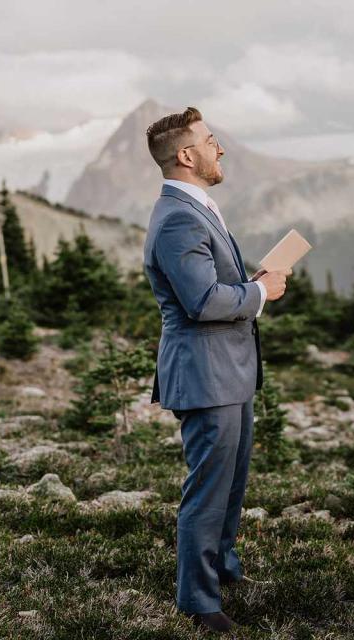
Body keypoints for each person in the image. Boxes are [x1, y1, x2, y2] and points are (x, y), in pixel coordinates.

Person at [142, 107, 291, 633]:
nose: (219, 147)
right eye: (210, 140)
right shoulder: (179, 216)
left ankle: (223, 568)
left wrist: (251, 284)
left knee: (230, 484)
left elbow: (208, 283)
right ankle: (198, 601)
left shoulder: (195, 207)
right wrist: (259, 292)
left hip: (229, 371)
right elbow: (202, 302)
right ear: (187, 156)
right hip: (206, 374)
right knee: (207, 490)